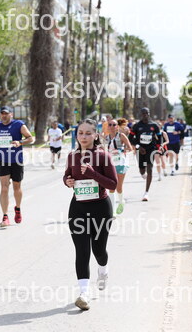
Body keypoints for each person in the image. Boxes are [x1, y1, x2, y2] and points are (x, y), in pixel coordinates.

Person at [63, 119, 117, 310]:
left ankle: (103, 270)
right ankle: (84, 293)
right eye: (80, 133)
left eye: (88, 133)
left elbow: (113, 184)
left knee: (99, 250)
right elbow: (67, 175)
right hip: (78, 208)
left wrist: (93, 173)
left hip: (101, 208)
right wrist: (67, 181)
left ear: (95, 135)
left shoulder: (103, 156)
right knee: (82, 251)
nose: (83, 137)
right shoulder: (72, 156)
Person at [0, 106, 34, 227]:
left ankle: (18, 208)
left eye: (6, 113)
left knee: (16, 187)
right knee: (4, 188)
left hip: (16, 160)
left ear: (11, 114)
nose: (4, 115)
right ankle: (5, 216)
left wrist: (19, 142)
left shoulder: (18, 125)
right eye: (2, 113)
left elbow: (30, 138)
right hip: (3, 160)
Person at [129, 108, 163, 201]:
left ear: (149, 114)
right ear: (141, 114)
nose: (145, 115)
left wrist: (158, 147)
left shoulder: (154, 125)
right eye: (143, 113)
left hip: (151, 149)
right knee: (142, 170)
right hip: (140, 150)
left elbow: (159, 137)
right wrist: (138, 146)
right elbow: (130, 138)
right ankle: (143, 174)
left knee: (150, 169)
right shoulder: (136, 126)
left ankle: (146, 193)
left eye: (146, 113)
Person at [105, 119, 133, 215]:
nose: (112, 126)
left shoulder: (121, 136)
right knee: (111, 187)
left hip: (121, 163)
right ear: (108, 127)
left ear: (117, 127)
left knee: (118, 187)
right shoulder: (106, 138)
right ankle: (112, 211)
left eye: (114, 125)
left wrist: (121, 150)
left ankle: (121, 201)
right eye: (110, 125)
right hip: (111, 164)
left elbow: (130, 148)